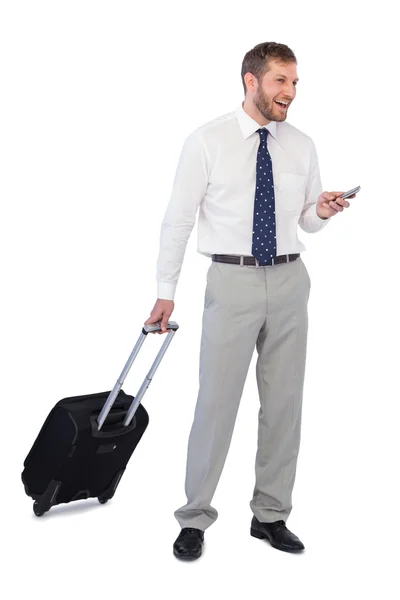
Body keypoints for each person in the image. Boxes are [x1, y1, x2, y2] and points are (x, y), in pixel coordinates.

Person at [144, 41, 356, 560]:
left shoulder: (302, 144)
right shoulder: (207, 141)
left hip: (289, 281)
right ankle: (194, 518)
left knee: (284, 405)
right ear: (251, 81)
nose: (290, 92)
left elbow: (304, 218)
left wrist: (322, 211)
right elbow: (178, 219)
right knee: (216, 404)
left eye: (296, 83)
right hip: (231, 281)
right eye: (281, 81)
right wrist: (165, 292)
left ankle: (271, 514)